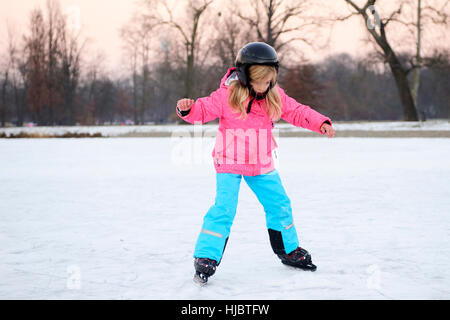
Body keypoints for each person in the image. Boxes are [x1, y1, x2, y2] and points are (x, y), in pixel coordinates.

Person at [176, 42, 335, 285]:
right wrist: (188, 109)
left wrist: (319, 122)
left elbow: (297, 111)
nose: (263, 87)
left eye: (268, 81)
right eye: (258, 81)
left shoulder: (274, 95)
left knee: (279, 203)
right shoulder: (227, 96)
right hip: (229, 160)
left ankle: (288, 250)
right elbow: (203, 111)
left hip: (261, 162)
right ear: (243, 76)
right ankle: (206, 257)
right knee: (224, 208)